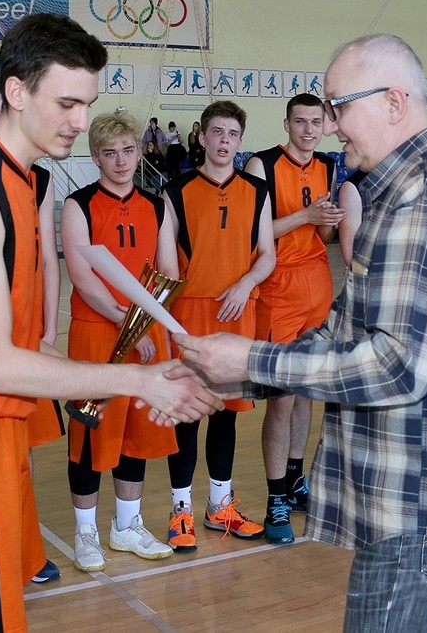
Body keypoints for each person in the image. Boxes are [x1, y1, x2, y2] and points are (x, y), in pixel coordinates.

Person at [0, 13, 220, 633]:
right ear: (17, 92)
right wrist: (136, 381)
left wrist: (132, 377)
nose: (79, 120)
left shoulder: (22, 179)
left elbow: (15, 342)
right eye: (67, 103)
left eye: (86, 104)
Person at [177, 34, 427, 632]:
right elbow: (343, 330)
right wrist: (221, 376)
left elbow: (397, 366)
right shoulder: (397, 193)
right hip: (406, 513)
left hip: (421, 519)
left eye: (338, 107)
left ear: (393, 101)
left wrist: (250, 361)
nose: (329, 126)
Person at [61, 111, 179, 573]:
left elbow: (167, 271)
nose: (121, 161)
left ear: (140, 151)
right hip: (97, 331)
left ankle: (127, 526)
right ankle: (85, 532)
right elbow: (82, 276)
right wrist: (127, 323)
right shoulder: (79, 204)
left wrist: (146, 327)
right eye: (110, 153)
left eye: (128, 150)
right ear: (95, 157)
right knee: (91, 431)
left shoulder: (156, 205)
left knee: (136, 430)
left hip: (147, 334)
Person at [0, 71, 66, 585]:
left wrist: (49, 329)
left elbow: (46, 258)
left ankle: (24, 550)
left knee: (20, 449)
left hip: (27, 335)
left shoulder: (38, 179)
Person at [163, 100, 275, 551]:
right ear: (202, 136)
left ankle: (219, 506)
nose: (225, 141)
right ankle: (180, 511)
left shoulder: (257, 191)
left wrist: (246, 284)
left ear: (240, 141)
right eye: (217, 132)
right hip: (191, 315)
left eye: (232, 134)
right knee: (187, 415)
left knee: (227, 415)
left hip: (237, 311)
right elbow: (166, 269)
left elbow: (267, 254)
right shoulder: (176, 190)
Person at [244, 93, 342, 544]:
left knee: (307, 390)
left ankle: (296, 478)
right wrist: (306, 214)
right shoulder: (262, 165)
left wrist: (330, 220)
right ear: (286, 124)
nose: (308, 130)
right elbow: (253, 232)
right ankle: (275, 498)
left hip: (317, 282)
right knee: (281, 398)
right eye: (300, 122)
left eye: (315, 122)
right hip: (278, 286)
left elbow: (324, 235)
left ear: (324, 125)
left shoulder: (328, 165)